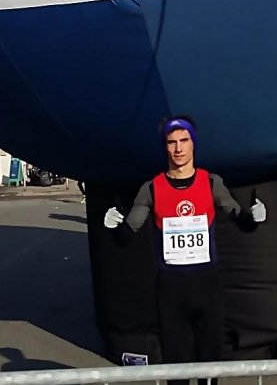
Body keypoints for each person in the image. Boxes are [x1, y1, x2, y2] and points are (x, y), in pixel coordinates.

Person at [103, 116, 267, 383]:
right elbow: (126, 236)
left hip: (207, 285)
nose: (178, 148)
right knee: (175, 365)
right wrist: (113, 225)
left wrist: (254, 217)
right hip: (171, 288)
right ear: (165, 147)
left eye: (184, 140)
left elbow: (240, 218)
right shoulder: (152, 189)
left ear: (193, 144)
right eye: (172, 142)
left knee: (210, 364)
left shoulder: (210, 183)